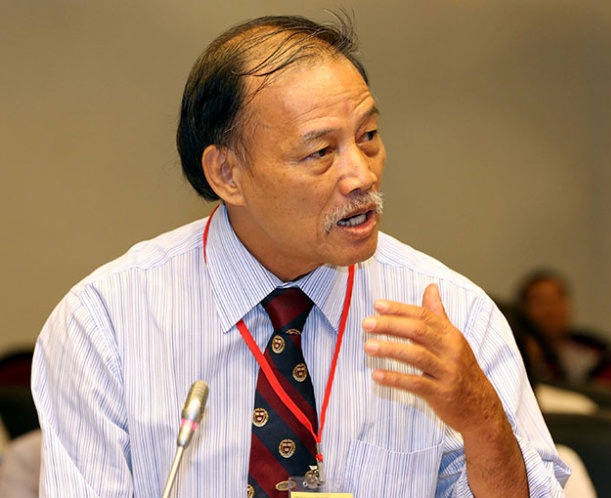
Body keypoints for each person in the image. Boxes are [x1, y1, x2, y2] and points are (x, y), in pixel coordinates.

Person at [32, 14, 569, 497]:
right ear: (227, 174)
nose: (361, 175)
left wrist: (482, 420)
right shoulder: (105, 325)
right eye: (321, 151)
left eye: (369, 136)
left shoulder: (455, 315)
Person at [516, 269, 609, 385]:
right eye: (540, 302)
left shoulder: (591, 346)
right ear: (524, 308)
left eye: (556, 300)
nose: (550, 310)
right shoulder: (519, 351)